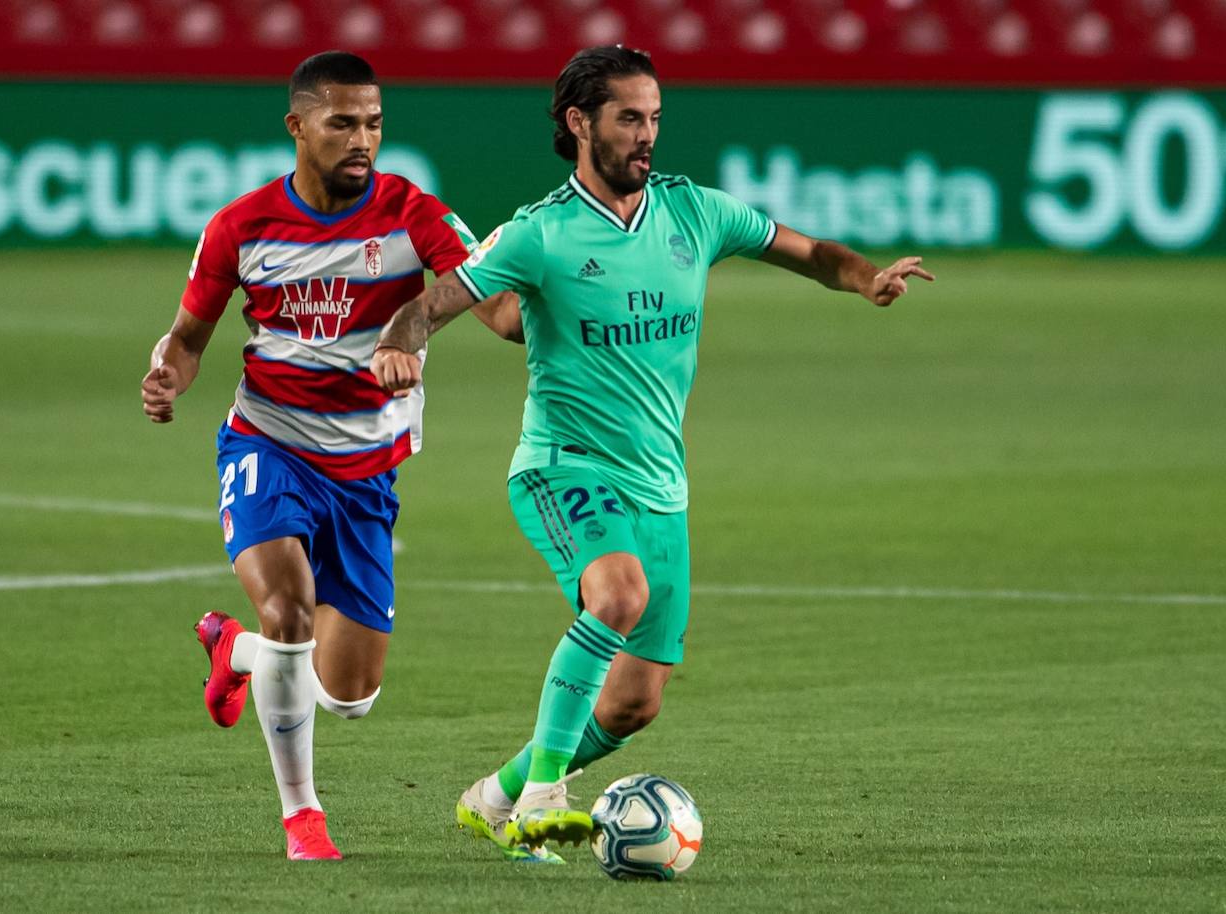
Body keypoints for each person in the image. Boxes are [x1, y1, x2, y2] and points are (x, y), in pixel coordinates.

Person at [369, 45, 935, 857]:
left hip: (662, 487)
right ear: (579, 123)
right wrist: (398, 345)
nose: (647, 136)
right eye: (630, 118)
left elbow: (806, 252)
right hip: (563, 466)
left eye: (655, 118)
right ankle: (540, 799)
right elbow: (433, 306)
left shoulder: (694, 213)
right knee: (617, 595)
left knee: (635, 704)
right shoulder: (541, 233)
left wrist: (867, 278)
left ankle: (492, 798)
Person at [140, 51, 521, 861]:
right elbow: (190, 336)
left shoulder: (414, 213)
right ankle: (302, 818)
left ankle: (232, 649)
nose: (363, 139)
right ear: (298, 127)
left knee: (349, 697)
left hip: (367, 474)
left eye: (374, 123)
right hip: (268, 442)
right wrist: (169, 369)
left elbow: (504, 316)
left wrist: (497, 281)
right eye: (343, 122)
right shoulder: (240, 227)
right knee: (289, 611)